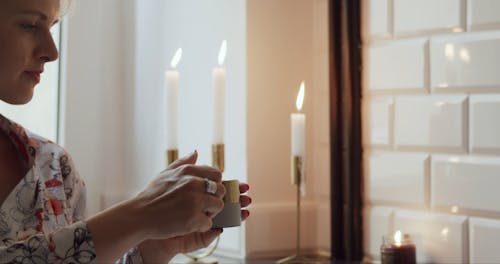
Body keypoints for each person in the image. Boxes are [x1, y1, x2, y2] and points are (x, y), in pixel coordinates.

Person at [0, 0, 252, 263]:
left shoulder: (53, 166)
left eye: (52, 27)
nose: (52, 52)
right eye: (29, 26)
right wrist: (140, 214)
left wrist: (154, 248)